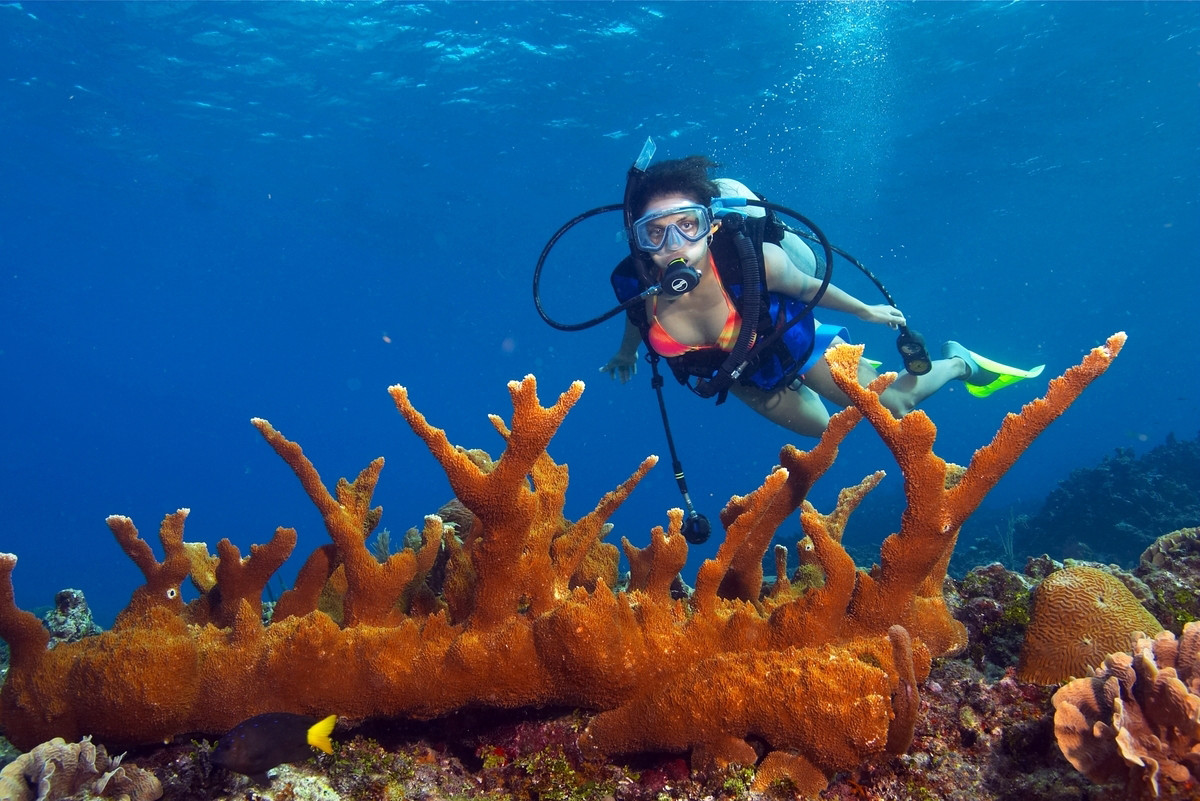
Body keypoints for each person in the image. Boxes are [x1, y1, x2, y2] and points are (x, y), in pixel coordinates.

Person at [601, 156, 1042, 438]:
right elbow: (639, 322)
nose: (674, 243)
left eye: (688, 224)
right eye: (655, 232)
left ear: (711, 224)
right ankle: (793, 380)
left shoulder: (754, 261)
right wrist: (625, 354)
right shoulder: (638, 287)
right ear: (637, 240)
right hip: (738, 376)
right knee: (819, 428)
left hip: (797, 344)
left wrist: (864, 310)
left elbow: (809, 287)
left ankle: (960, 362)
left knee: (894, 408)